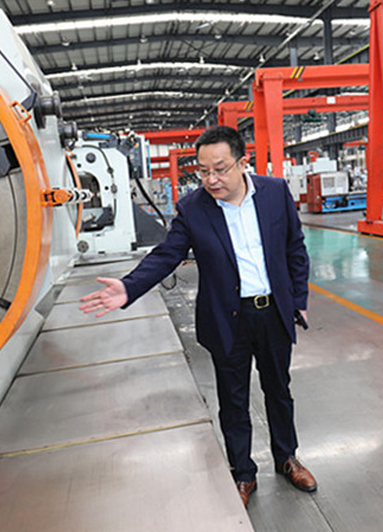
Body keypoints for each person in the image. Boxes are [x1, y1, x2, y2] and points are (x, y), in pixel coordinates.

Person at [79, 125, 316, 506]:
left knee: (279, 391)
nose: (211, 179)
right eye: (203, 171)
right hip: (227, 319)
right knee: (233, 401)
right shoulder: (193, 208)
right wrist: (129, 287)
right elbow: (167, 254)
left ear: (242, 162)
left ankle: (287, 458)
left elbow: (295, 249)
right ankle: (243, 472)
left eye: (220, 169)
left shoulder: (275, 193)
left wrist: (298, 299)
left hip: (272, 313)